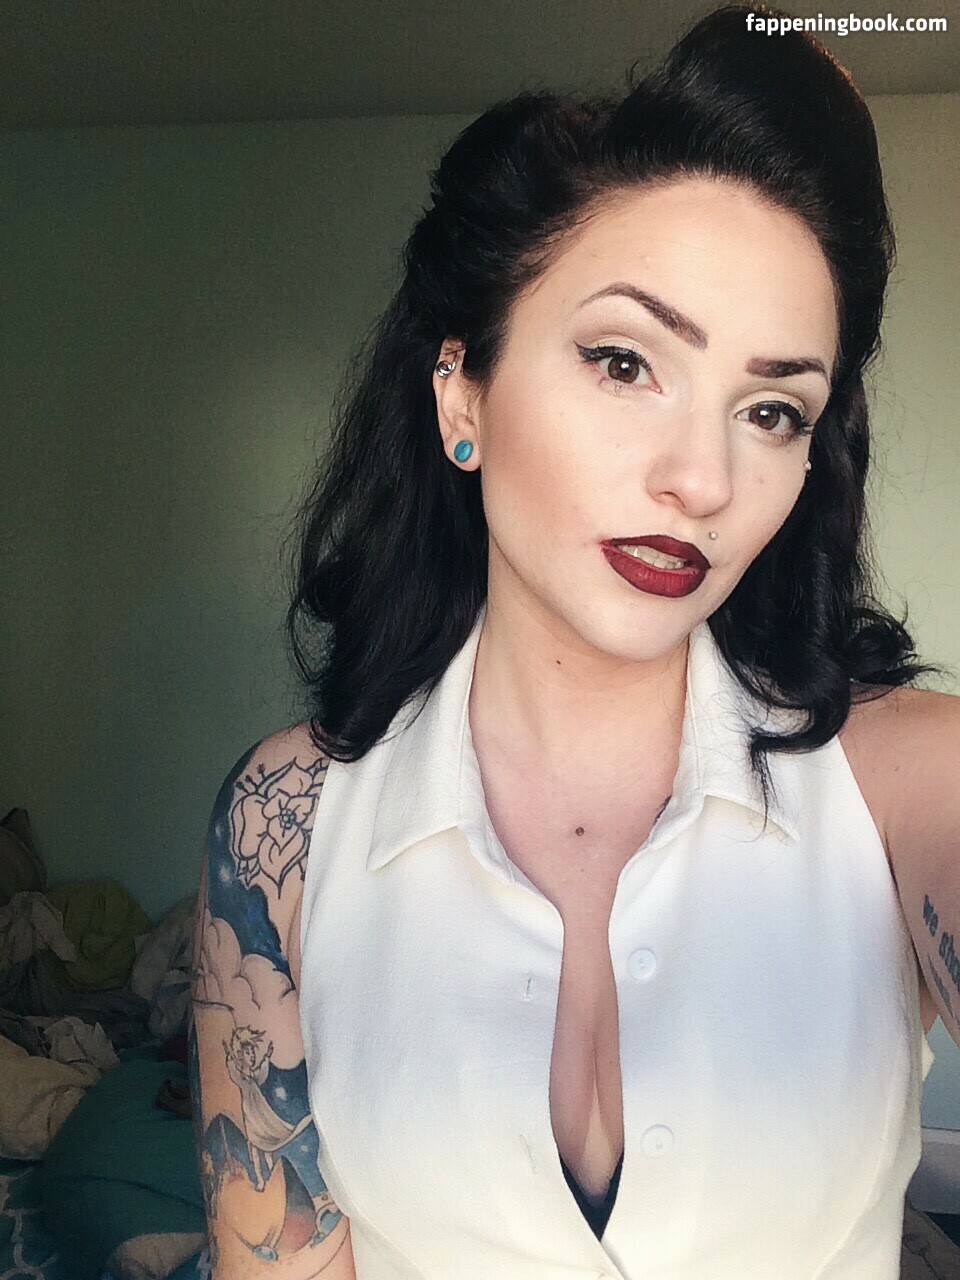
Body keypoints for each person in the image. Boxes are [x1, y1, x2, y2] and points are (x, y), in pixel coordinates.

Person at [188, 4, 960, 1277]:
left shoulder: (904, 785)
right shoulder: (288, 821)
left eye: (773, 409)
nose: (703, 478)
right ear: (464, 393)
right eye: (624, 361)